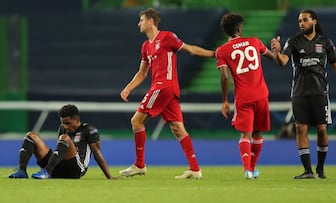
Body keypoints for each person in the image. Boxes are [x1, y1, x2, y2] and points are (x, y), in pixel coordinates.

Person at [119, 8, 215, 179]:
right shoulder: (145, 46)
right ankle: (195, 169)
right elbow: (142, 73)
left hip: (164, 87)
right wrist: (129, 87)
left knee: (136, 120)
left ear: (150, 21)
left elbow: (191, 49)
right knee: (178, 128)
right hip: (166, 90)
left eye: (141, 20)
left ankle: (140, 165)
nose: (138, 24)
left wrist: (214, 54)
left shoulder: (167, 37)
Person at [271, 9, 336, 179]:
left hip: (320, 92)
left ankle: (320, 168)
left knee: (322, 130)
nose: (302, 23)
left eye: (305, 20)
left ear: (314, 21)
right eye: (300, 21)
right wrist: (277, 52)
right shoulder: (293, 41)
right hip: (299, 93)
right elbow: (283, 62)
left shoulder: (325, 42)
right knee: (301, 129)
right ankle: (307, 170)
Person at [215, 13, 277, 179]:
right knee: (258, 133)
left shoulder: (222, 51)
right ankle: (252, 168)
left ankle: (247, 170)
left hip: (244, 96)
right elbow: (274, 58)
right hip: (262, 94)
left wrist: (225, 100)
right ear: (238, 28)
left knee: (245, 135)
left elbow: (224, 76)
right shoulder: (254, 42)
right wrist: (277, 50)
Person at [9, 104, 119, 179]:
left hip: (76, 169)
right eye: (63, 123)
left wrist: (109, 176)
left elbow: (97, 153)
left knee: (64, 138)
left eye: (68, 123)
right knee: (31, 135)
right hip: (58, 167)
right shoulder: (63, 128)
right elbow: (60, 148)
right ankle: (22, 171)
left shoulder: (89, 130)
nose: (65, 126)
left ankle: (47, 172)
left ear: (77, 120)